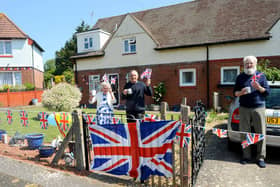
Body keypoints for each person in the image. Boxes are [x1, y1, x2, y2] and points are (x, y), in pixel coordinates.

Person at [233, 55, 270, 168]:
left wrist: (259, 88)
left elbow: (267, 92)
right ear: (244, 65)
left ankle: (260, 158)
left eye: (251, 63)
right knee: (244, 132)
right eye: (246, 64)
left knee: (261, 133)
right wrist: (241, 93)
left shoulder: (261, 76)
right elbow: (234, 93)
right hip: (244, 108)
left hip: (259, 107)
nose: (249, 65)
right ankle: (246, 156)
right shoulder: (240, 77)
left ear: (255, 64)